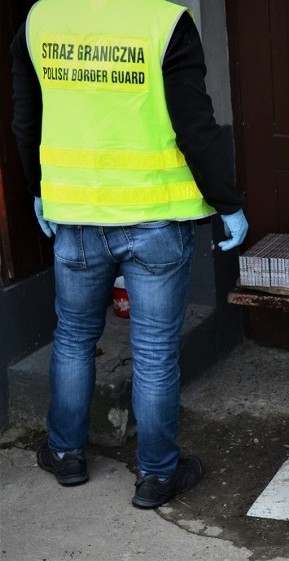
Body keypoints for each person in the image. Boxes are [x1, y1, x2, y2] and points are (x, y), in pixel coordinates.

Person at [10, 0, 248, 509]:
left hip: (76, 215)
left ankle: (66, 453)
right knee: (155, 352)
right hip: (155, 217)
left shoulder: (41, 20)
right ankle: (158, 475)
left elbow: (26, 117)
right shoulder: (164, 24)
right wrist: (227, 202)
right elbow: (195, 123)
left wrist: (39, 187)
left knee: (73, 337)